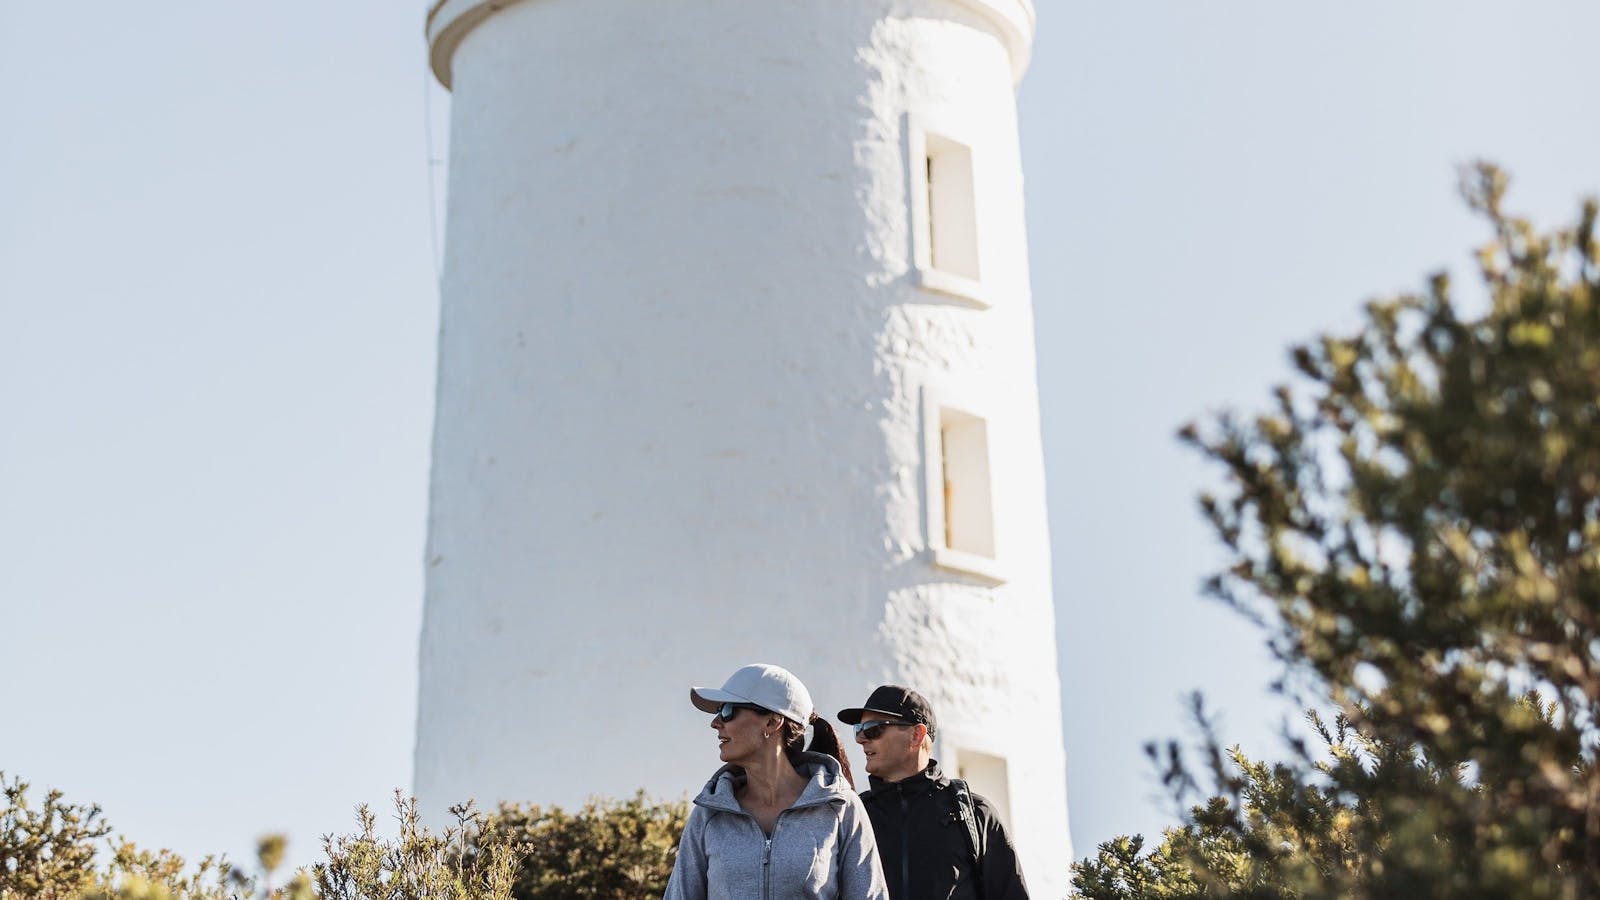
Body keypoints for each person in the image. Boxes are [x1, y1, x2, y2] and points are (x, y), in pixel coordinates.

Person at [664, 663, 889, 900]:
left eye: (728, 710)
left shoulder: (841, 807)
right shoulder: (708, 814)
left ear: (772, 722)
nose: (716, 722)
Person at [837, 685, 1029, 900]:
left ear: (916, 735)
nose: (861, 739)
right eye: (858, 730)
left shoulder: (975, 814)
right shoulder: (854, 816)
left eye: (873, 729)